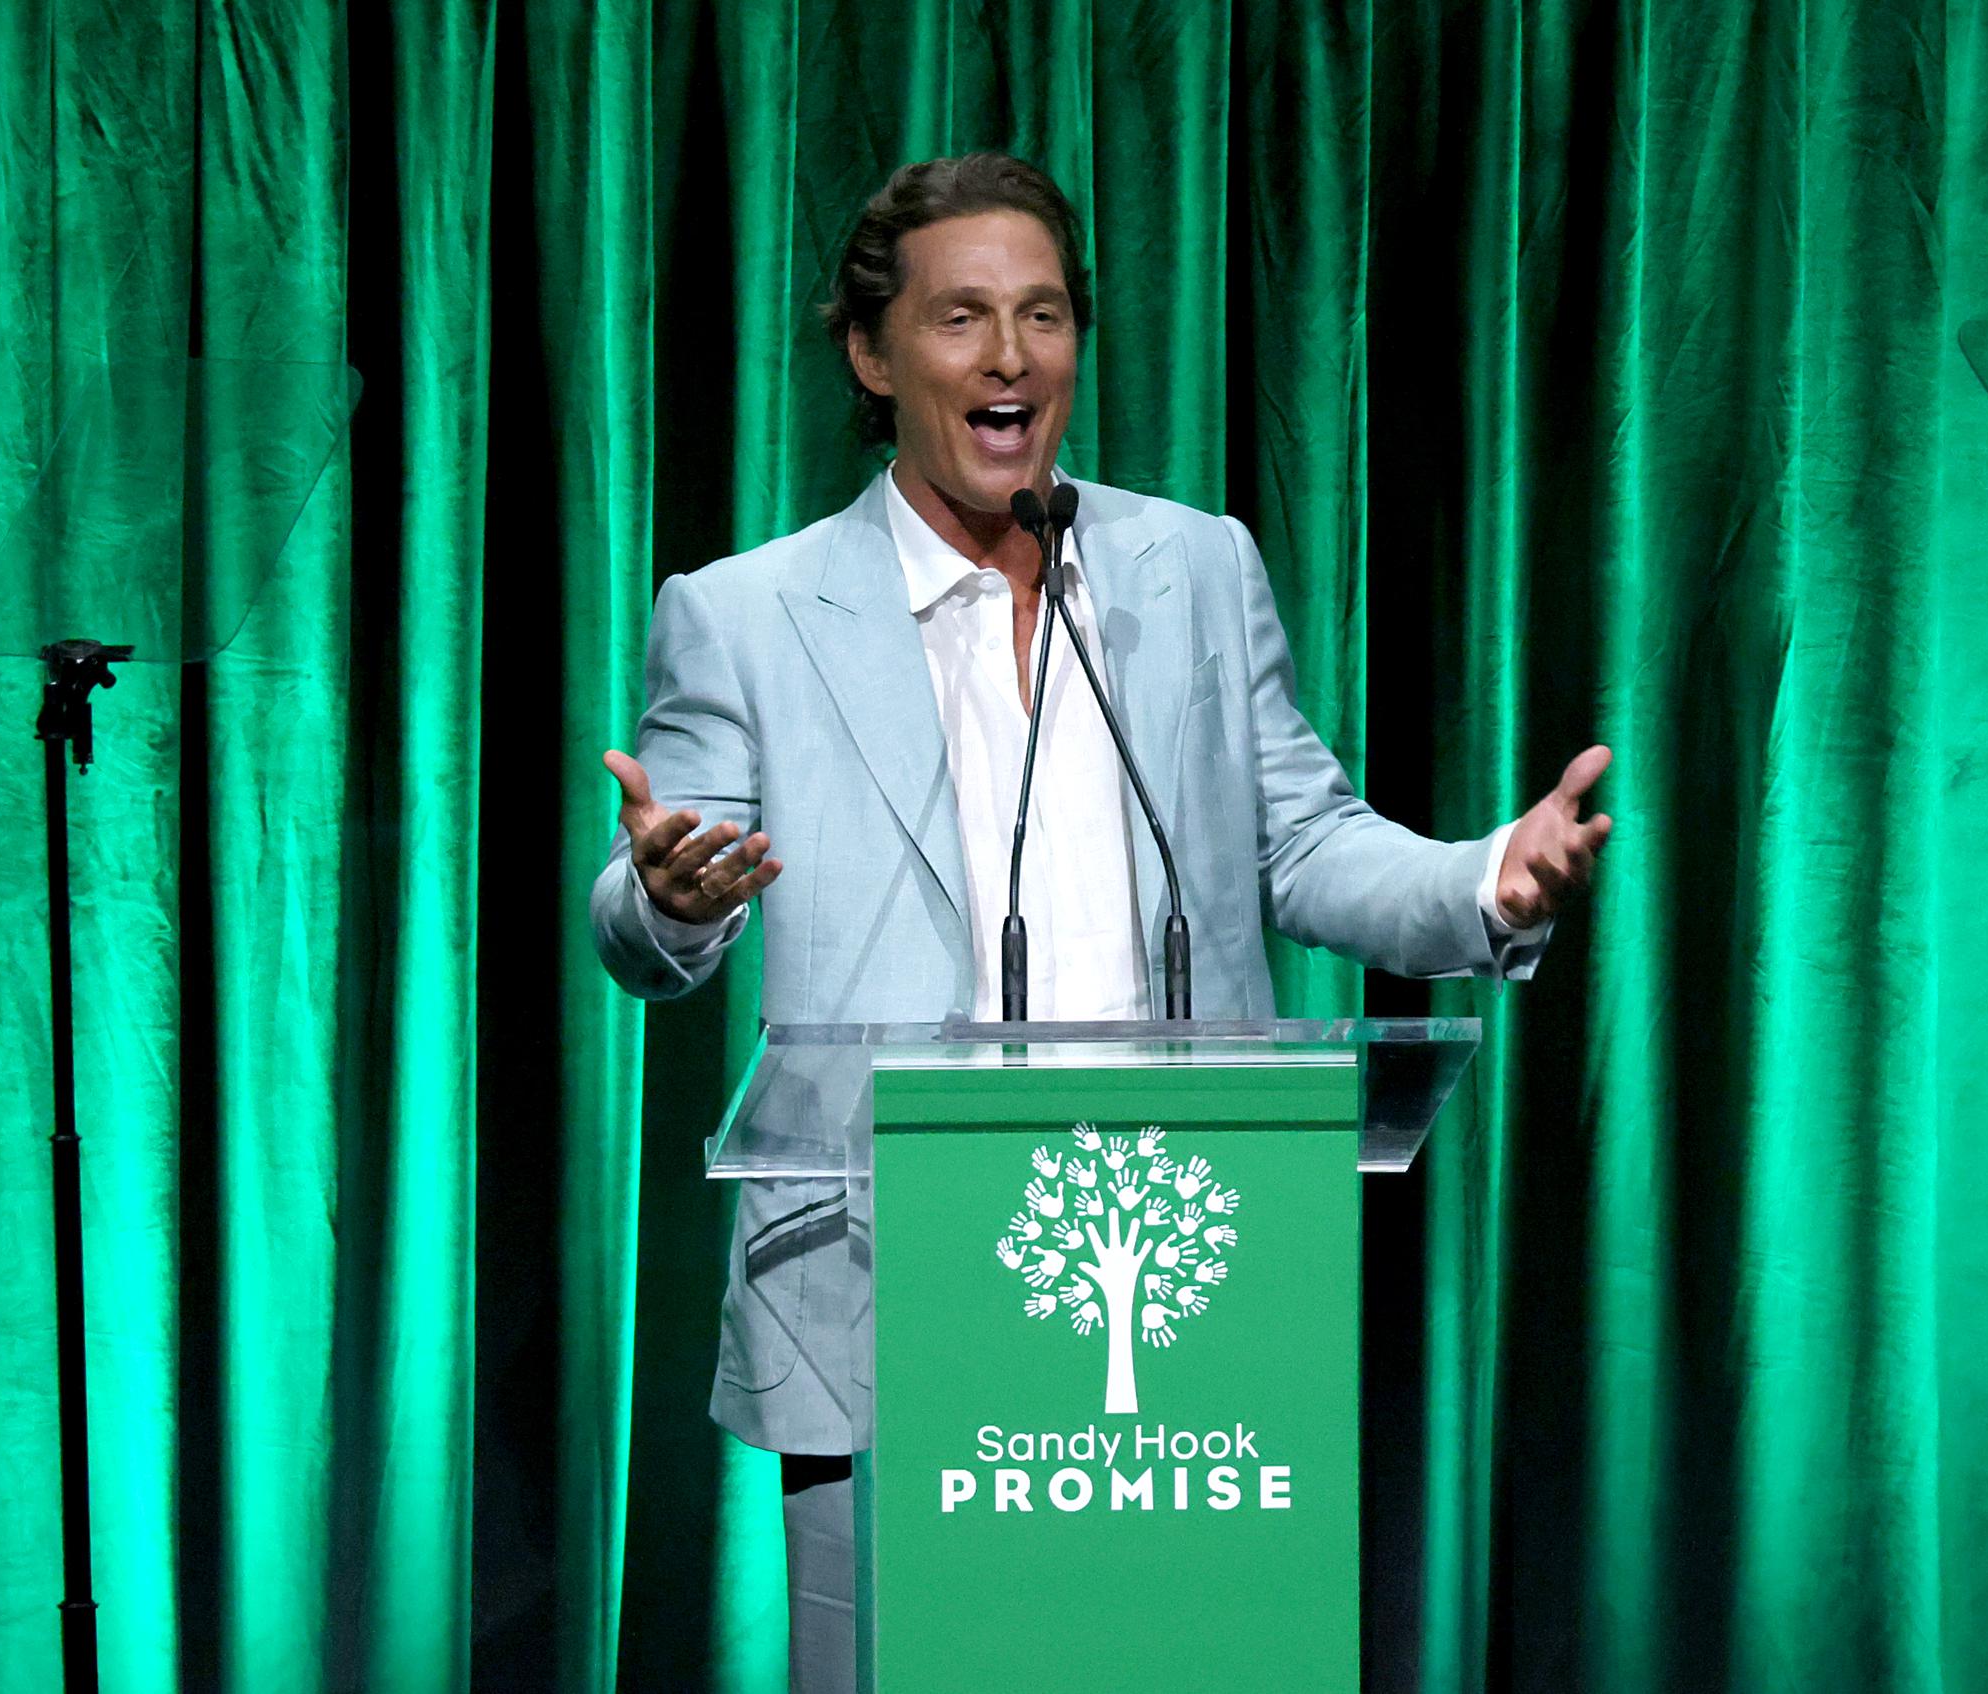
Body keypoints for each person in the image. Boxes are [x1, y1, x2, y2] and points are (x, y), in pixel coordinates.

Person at [589, 152, 1611, 1694]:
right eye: (961, 319)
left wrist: (1484, 881)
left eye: (1045, 315)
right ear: (873, 355)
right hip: (883, 1286)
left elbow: (1306, 842)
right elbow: (646, 900)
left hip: (1179, 1288)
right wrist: (666, 899)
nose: (1011, 358)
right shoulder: (744, 612)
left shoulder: (1191, 570)